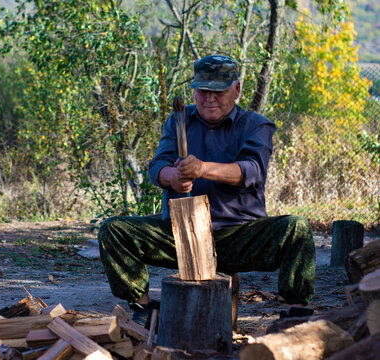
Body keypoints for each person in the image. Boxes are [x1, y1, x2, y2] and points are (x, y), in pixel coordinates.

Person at [97, 55, 316, 325]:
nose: (209, 98)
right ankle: (145, 309)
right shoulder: (178, 120)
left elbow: (252, 171)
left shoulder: (256, 125)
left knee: (296, 229)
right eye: (203, 91)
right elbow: (157, 166)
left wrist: (202, 169)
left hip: (239, 235)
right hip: (180, 233)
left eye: (219, 91)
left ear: (236, 90)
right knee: (114, 230)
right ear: (194, 90)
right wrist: (173, 178)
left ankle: (294, 314)